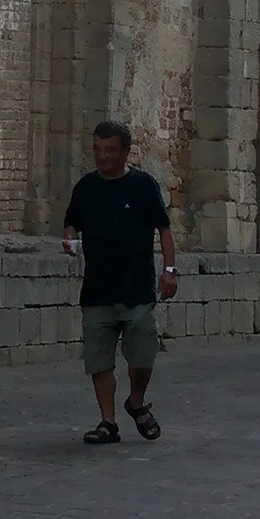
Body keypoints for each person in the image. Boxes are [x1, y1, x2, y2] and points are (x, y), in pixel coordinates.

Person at [62, 120, 176, 444]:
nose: (103, 157)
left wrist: (171, 270)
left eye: (110, 150)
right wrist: (69, 239)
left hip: (136, 288)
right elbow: (71, 223)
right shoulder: (85, 187)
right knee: (99, 359)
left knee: (142, 354)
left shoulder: (143, 186)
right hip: (97, 287)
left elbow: (164, 230)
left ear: (126, 152)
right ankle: (107, 422)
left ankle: (136, 401)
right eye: (98, 149)